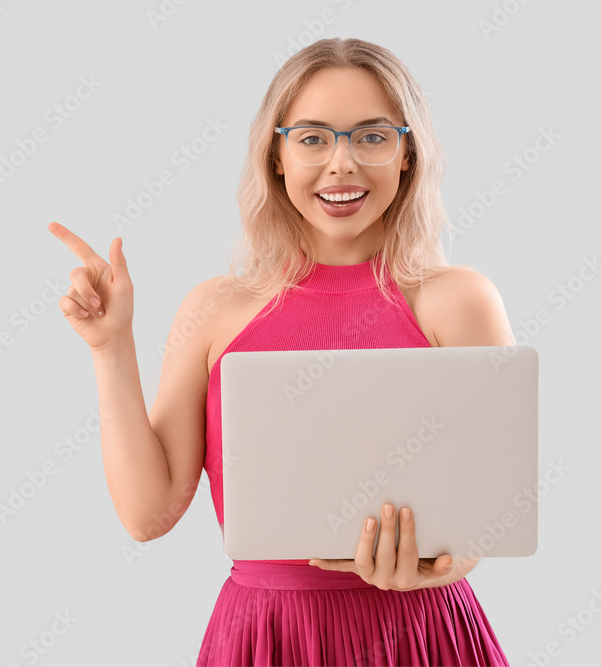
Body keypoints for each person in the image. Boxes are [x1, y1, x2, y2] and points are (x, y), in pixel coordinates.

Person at [48, 37, 513, 666]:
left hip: (421, 635)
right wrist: (111, 348)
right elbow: (148, 515)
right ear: (278, 156)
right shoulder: (214, 310)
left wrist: (444, 563)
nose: (342, 164)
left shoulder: (460, 301)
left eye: (372, 137)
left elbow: (492, 510)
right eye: (313, 138)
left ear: (406, 154)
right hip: (265, 636)